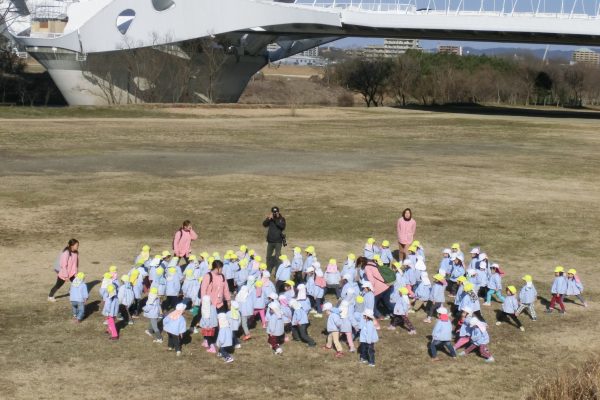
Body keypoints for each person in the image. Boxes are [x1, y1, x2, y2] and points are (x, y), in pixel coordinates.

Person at [263, 206, 286, 273]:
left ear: (278, 212)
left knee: (278, 257)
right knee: (268, 256)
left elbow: (282, 226)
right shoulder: (270, 219)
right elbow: (264, 224)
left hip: (278, 241)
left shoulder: (282, 219)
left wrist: (275, 220)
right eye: (273, 212)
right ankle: (268, 270)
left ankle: (277, 271)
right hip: (270, 241)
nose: (275, 214)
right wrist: (269, 218)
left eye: (276, 212)